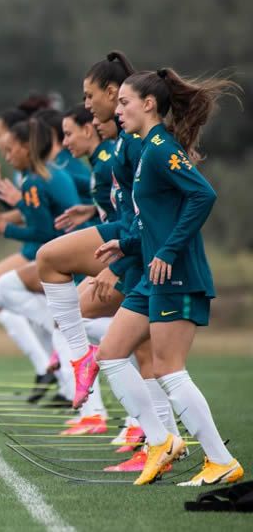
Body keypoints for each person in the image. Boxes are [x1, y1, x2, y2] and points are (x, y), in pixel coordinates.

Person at [93, 68, 244, 486]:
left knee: (168, 369)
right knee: (111, 352)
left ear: (149, 104)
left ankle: (220, 460)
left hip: (176, 273)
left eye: (124, 102)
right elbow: (156, 218)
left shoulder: (159, 147)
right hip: (153, 275)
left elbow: (203, 195)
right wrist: (125, 245)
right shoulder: (145, 150)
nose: (118, 110)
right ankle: (160, 441)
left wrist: (169, 250)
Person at [0, 119, 79, 403]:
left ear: (27, 146)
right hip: (64, 251)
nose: (6, 154)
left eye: (9, 146)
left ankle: (60, 346)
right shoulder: (40, 177)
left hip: (66, 257)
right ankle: (66, 383)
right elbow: (41, 220)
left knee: (0, 289)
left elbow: (43, 231)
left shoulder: (37, 180)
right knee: (2, 291)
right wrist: (4, 212)